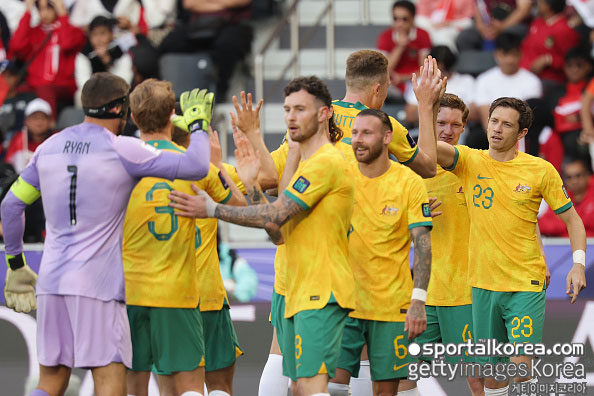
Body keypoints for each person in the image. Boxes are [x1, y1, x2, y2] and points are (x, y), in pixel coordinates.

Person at [0, 72, 212, 396]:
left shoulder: (48, 147)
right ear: (119, 110)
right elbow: (197, 166)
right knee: (109, 378)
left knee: (51, 381)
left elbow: (11, 206)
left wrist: (16, 264)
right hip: (97, 287)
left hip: (52, 283)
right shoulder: (122, 149)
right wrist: (197, 126)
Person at [169, 76, 357, 396]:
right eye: (287, 109)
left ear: (325, 113)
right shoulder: (305, 161)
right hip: (298, 288)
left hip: (323, 290)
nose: (291, 116)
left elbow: (275, 215)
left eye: (301, 109)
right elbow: (278, 233)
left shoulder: (326, 163)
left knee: (312, 387)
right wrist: (254, 187)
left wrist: (212, 209)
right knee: (300, 388)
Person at [436, 97, 587, 395]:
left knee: (520, 367)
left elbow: (573, 221)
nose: (497, 129)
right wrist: (427, 103)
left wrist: (578, 264)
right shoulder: (469, 160)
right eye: (494, 121)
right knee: (492, 377)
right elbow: (424, 152)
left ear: (521, 134)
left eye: (507, 125)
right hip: (482, 284)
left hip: (524, 283)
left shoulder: (540, 170)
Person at [328, 107, 432, 396]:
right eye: (355, 133)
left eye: (367, 133)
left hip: (392, 307)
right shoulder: (339, 176)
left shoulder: (409, 182)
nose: (358, 140)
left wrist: (418, 301)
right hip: (344, 303)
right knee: (331, 388)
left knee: (386, 392)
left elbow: (423, 245)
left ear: (387, 137)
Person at [398, 94, 484, 396]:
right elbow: (388, 233)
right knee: (401, 370)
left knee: (478, 379)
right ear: (427, 122)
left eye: (455, 124)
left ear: (463, 128)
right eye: (440, 123)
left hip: (467, 294)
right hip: (424, 293)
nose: (448, 130)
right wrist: (410, 219)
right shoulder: (408, 175)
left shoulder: (474, 166)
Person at [8, 0, 86, 117]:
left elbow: (67, 44)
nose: (44, 14)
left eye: (49, 8)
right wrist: (28, 11)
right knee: (11, 93)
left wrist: (63, 14)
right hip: (34, 85)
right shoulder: (33, 32)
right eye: (40, 9)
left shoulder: (74, 31)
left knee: (45, 90)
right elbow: (16, 46)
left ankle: (50, 127)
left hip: (62, 86)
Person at [472, 33, 542, 148]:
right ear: (497, 55)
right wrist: (495, 136)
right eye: (505, 54)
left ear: (520, 55)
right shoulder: (484, 80)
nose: (510, 60)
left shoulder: (532, 81)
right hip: (490, 132)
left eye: (514, 55)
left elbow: (526, 116)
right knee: (474, 138)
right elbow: (485, 114)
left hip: (519, 132)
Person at [75, 16, 133, 107]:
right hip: (93, 96)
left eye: (102, 34)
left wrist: (108, 61)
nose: (98, 39)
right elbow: (83, 83)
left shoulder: (121, 53)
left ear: (111, 34)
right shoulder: (84, 55)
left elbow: (124, 83)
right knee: (79, 95)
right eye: (94, 35)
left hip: (115, 95)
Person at [377, 0, 432, 95]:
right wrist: (400, 47)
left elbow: (424, 70)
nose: (400, 23)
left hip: (415, 81)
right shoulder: (385, 36)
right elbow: (384, 69)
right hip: (392, 83)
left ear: (413, 18)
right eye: (395, 19)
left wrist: (403, 78)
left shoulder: (423, 35)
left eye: (405, 19)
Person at [520, 0, 579, 87]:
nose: (537, 4)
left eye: (540, 2)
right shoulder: (537, 22)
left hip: (546, 80)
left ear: (548, 6)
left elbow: (571, 60)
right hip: (523, 74)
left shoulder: (564, 30)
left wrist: (549, 60)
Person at [539, 158, 594, 237]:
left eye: (578, 176)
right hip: (564, 246)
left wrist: (566, 221)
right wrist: (572, 223)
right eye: (569, 177)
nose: (574, 181)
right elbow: (543, 225)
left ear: (587, 176)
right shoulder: (561, 195)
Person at [6, 98, 54, 174]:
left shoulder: (56, 140)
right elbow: (9, 165)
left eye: (43, 118)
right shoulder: (18, 139)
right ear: (26, 121)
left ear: (50, 122)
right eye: (34, 118)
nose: (39, 122)